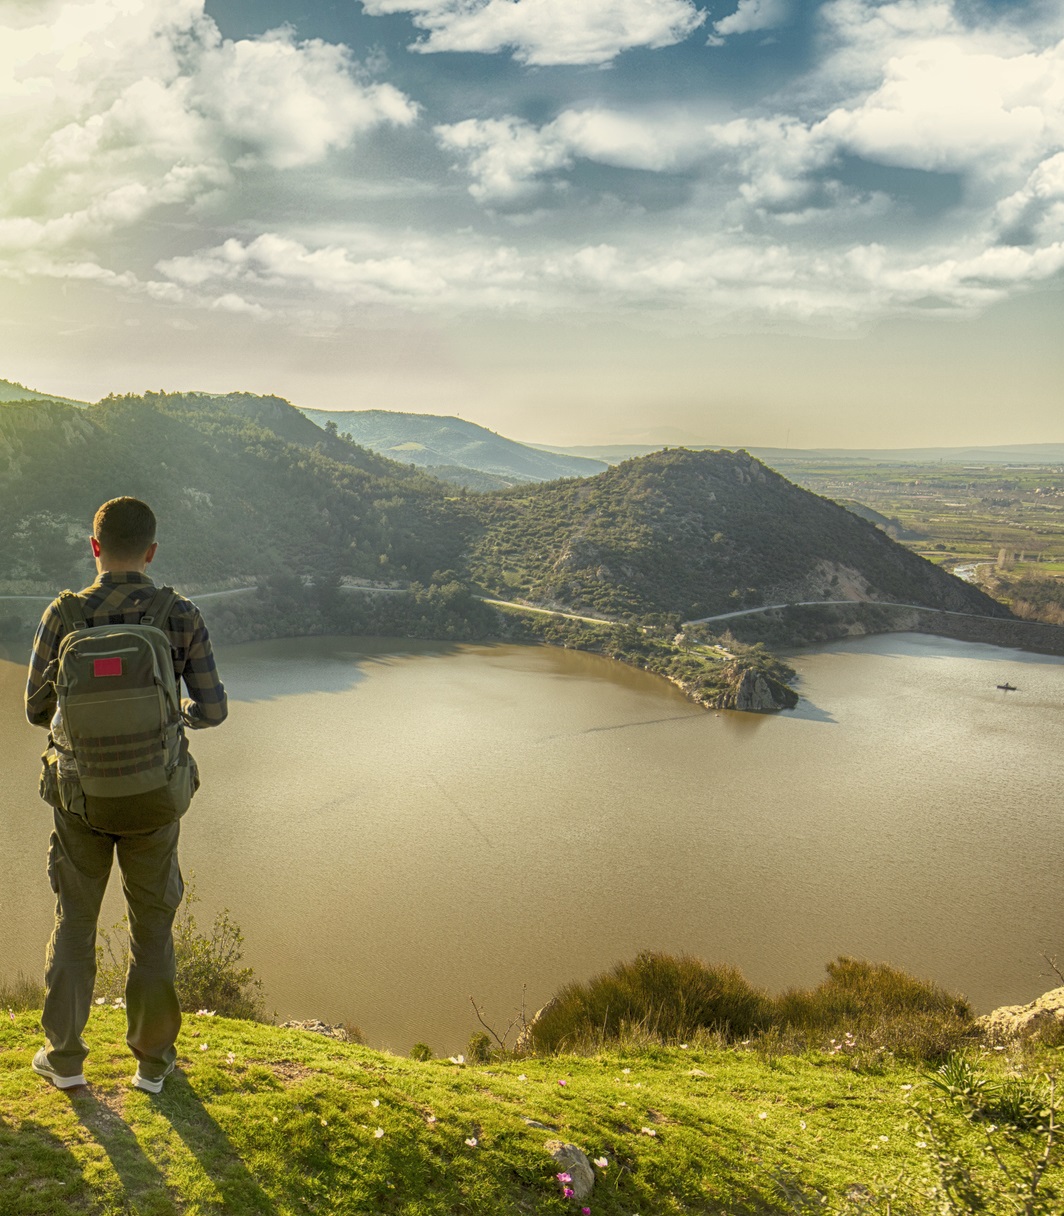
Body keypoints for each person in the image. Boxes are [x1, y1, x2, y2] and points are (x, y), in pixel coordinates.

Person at [24, 497, 227, 1092]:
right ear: (152, 551)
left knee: (74, 923)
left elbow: (35, 709)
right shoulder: (179, 614)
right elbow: (214, 709)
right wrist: (176, 711)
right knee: (152, 930)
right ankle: (152, 1064)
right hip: (154, 799)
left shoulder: (63, 614)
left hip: (80, 799)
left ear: (94, 546)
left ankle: (65, 1060)